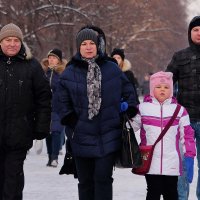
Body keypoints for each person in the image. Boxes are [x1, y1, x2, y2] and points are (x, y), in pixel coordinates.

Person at [57, 25, 138, 200]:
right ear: (79, 47)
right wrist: (72, 121)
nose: (88, 47)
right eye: (84, 43)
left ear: (98, 45)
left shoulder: (112, 68)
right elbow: (61, 101)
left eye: (91, 43)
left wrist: (128, 108)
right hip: (80, 135)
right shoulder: (69, 72)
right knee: (85, 182)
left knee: (103, 179)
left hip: (108, 134)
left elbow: (129, 92)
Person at [0, 23, 51, 200]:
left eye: (16, 40)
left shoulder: (32, 66)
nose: (12, 44)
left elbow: (44, 98)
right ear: (1, 42)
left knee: (12, 182)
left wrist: (41, 127)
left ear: (21, 43)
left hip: (19, 135)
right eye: (8, 40)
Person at [130, 71, 196, 200]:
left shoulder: (179, 110)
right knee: (153, 192)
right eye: (158, 87)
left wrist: (189, 156)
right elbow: (130, 128)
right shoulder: (143, 108)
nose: (162, 90)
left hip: (172, 162)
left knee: (171, 193)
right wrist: (126, 114)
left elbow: (187, 135)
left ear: (171, 90)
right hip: (150, 161)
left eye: (166, 87)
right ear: (152, 89)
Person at [166, 15, 200, 200]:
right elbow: (165, 83)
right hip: (184, 121)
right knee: (182, 165)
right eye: (195, 29)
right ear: (190, 33)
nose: (199, 33)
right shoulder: (179, 56)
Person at [41, 48, 67, 167]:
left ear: (59, 60)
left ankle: (55, 158)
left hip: (58, 107)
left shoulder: (63, 73)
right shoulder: (44, 73)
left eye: (54, 57)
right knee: (48, 133)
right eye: (50, 57)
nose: (51, 59)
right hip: (46, 108)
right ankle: (49, 156)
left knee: (56, 131)